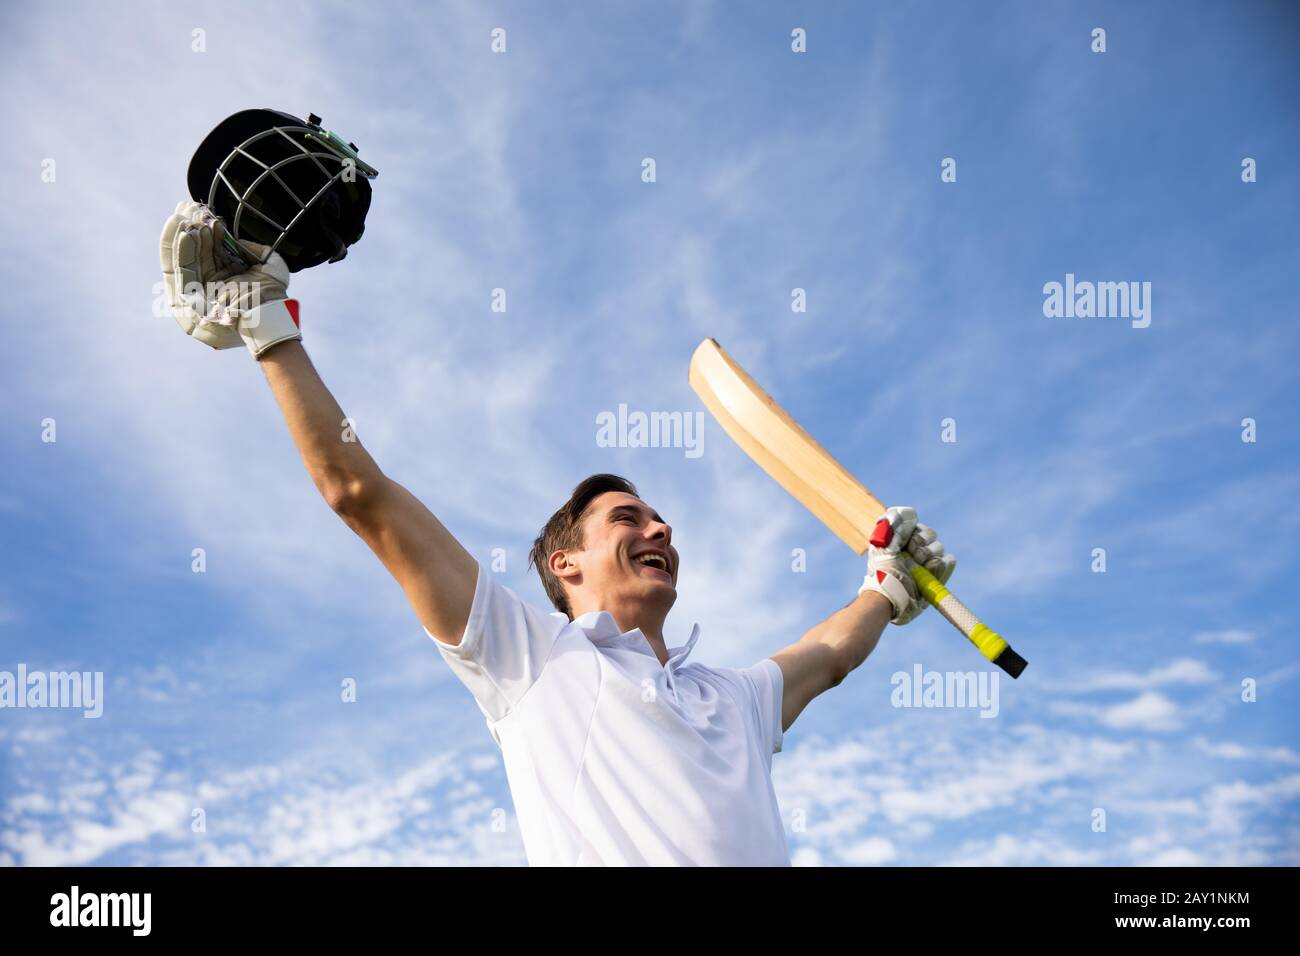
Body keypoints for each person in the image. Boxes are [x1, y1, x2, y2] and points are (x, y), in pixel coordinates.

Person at [159, 201, 957, 866]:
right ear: (562, 562)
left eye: (656, 516)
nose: (661, 526)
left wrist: (887, 582)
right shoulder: (527, 657)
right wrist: (269, 331)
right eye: (628, 518)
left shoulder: (732, 698)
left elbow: (830, 653)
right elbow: (358, 493)